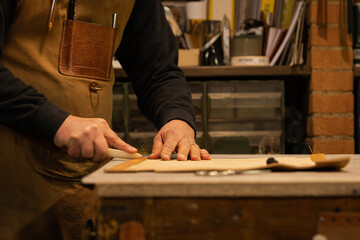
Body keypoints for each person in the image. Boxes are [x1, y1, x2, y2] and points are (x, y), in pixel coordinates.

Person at [0, 0, 210, 239]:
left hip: (84, 176)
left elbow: (159, 71)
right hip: (12, 179)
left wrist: (177, 118)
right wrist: (57, 122)